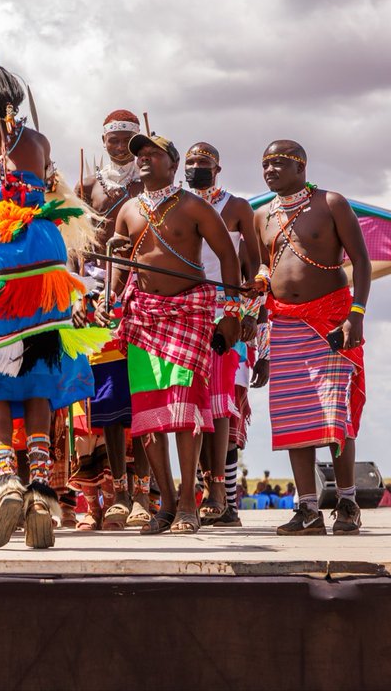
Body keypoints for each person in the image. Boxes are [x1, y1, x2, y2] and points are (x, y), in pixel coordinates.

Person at [0, 61, 102, 550]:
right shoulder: (39, 142)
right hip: (45, 260)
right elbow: (52, 193)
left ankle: (5, 475)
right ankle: (43, 486)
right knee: (39, 368)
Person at [105, 132, 241, 535]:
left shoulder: (194, 206)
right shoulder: (128, 210)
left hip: (190, 313)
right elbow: (122, 269)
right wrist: (109, 291)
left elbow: (229, 259)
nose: (144, 159)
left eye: (153, 153)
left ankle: (188, 502)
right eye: (140, 154)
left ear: (173, 163)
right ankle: (164, 501)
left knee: (184, 408)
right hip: (144, 316)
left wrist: (232, 314)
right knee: (149, 413)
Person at [251, 139, 369, 535]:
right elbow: (263, 268)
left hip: (332, 320)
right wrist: (260, 282)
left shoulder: (331, 203)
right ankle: (308, 511)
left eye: (279, 163)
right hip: (284, 324)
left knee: (335, 414)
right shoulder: (262, 215)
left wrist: (357, 315)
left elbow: (363, 262)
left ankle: (348, 501)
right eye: (265, 164)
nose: (270, 170)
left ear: (301, 167)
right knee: (291, 417)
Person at [73, 110, 152, 530]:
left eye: (128, 137)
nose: (120, 144)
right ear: (103, 141)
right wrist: (76, 293)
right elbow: (74, 245)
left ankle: (141, 493)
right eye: (114, 138)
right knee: (102, 401)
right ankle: (105, 495)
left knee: (140, 394)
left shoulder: (150, 186)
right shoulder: (86, 185)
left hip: (142, 293)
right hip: (96, 296)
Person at [184, 142, 261, 526]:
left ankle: (226, 500)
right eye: (191, 162)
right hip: (188, 311)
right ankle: (210, 496)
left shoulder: (237, 207)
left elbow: (255, 266)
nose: (197, 167)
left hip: (228, 312)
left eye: (204, 162)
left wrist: (249, 314)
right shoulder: (177, 205)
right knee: (196, 405)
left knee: (224, 404)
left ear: (218, 168)